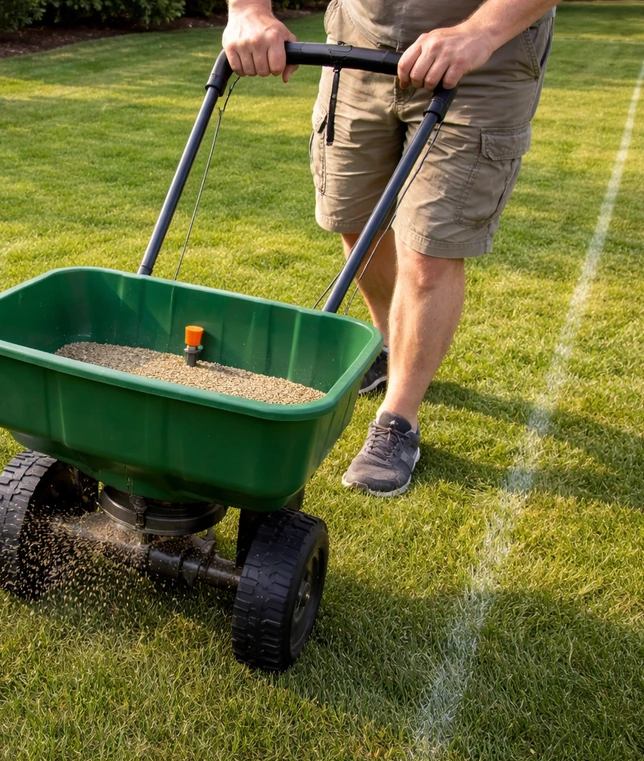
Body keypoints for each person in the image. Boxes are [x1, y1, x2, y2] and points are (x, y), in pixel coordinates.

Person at [223, 0, 558, 496]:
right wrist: (248, 10)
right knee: (354, 222)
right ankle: (386, 342)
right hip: (358, 40)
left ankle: (398, 419)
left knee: (428, 251)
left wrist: (480, 33)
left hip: (483, 56)